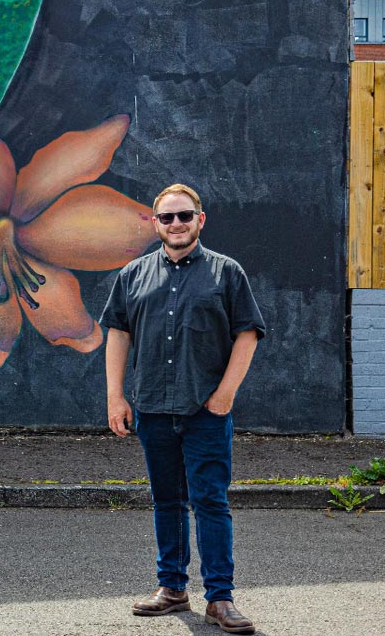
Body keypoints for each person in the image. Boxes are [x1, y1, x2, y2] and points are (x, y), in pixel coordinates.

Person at [101, 183, 265, 634]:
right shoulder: (133, 275)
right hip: (153, 407)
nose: (176, 224)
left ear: (200, 220)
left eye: (184, 216)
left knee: (210, 501)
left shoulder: (226, 273)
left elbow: (247, 334)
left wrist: (226, 394)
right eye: (167, 217)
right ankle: (172, 588)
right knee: (167, 501)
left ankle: (220, 598)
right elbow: (118, 333)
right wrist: (116, 395)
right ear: (154, 223)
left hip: (205, 410)